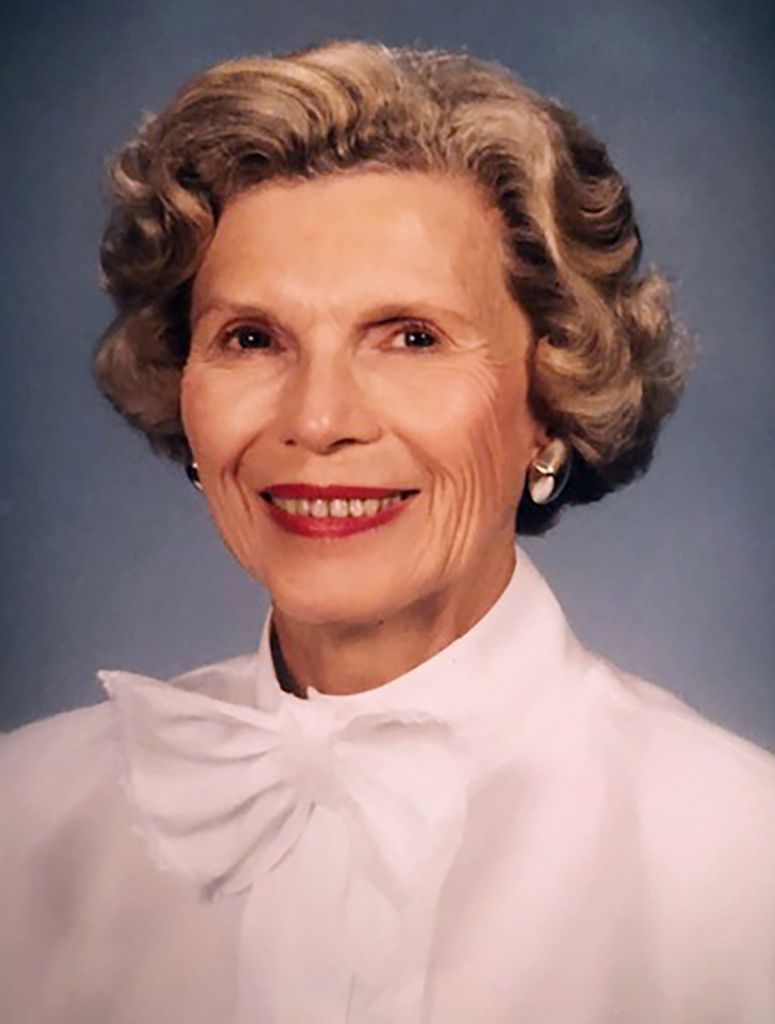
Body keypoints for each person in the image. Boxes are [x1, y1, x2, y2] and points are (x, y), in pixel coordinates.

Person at [2, 38, 774, 1024]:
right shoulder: (23, 821)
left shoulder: (741, 862)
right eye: (251, 338)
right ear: (181, 388)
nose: (318, 420)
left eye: (411, 337)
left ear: (551, 398)